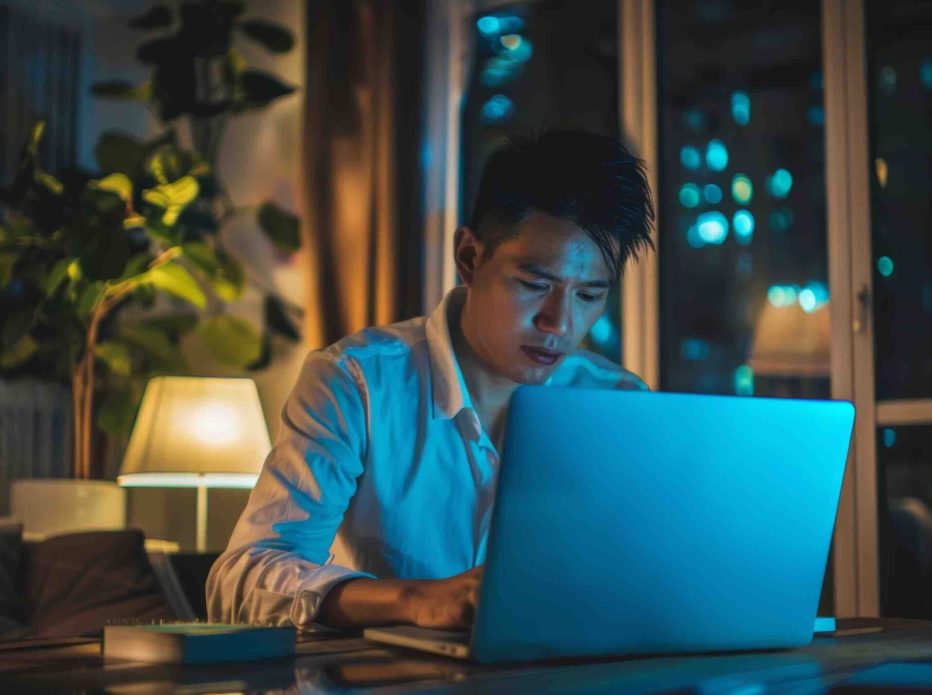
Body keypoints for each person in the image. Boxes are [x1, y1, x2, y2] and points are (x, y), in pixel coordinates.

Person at [206, 130, 655, 630]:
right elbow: (243, 579)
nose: (560, 324)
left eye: (589, 295)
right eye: (534, 285)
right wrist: (415, 601)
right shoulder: (358, 382)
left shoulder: (617, 402)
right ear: (469, 257)